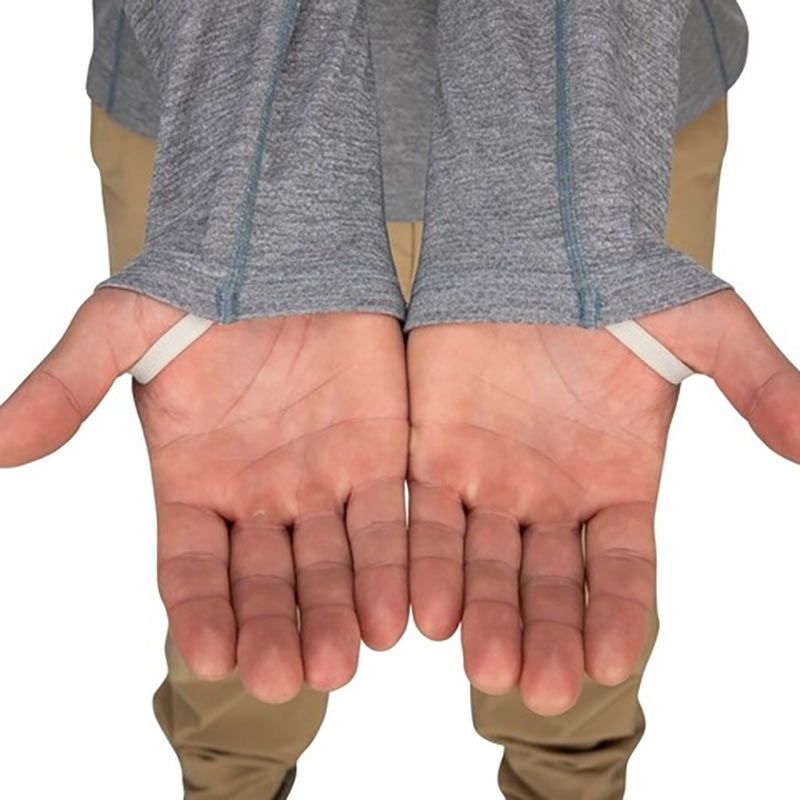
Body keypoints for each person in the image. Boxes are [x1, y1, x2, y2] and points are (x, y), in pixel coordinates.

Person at [2, 1, 797, 799]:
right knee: (242, 603)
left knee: (572, 609)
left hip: (611, 119)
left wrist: (558, 182)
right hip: (208, 122)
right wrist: (258, 173)